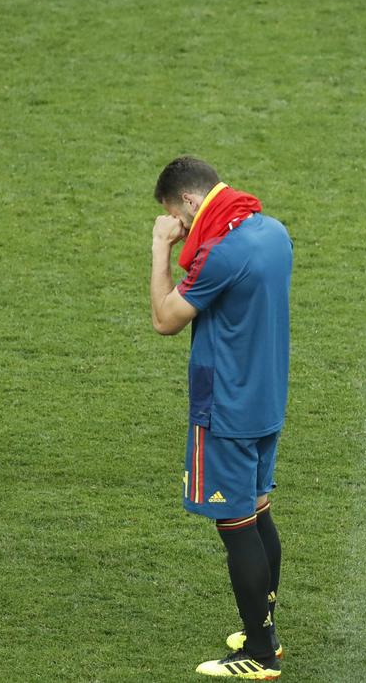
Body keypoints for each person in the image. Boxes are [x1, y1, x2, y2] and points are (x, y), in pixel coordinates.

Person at [149, 157, 292, 679]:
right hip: (266, 397)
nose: (180, 227)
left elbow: (165, 318)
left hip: (226, 406)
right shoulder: (272, 231)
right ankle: (264, 628)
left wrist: (161, 249)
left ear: (188, 200)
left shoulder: (220, 254)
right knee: (258, 509)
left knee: (235, 526)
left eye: (177, 217)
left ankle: (258, 651)